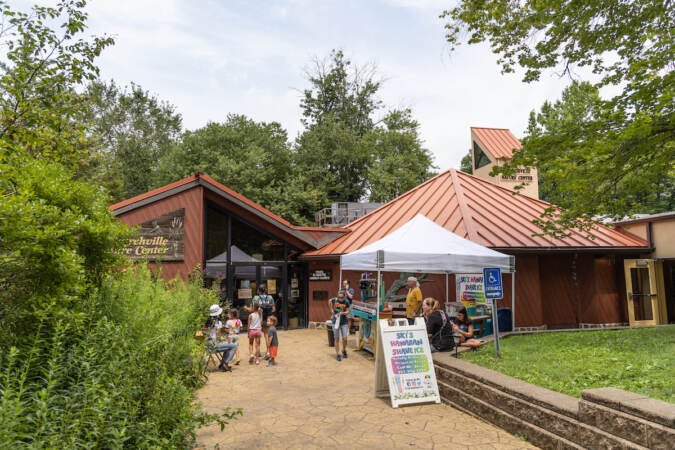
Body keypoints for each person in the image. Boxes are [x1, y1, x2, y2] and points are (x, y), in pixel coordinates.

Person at [203, 304, 238, 372]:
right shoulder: (218, 322)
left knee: (228, 346)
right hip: (214, 345)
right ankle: (225, 363)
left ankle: (222, 364)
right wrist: (224, 339)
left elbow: (204, 332)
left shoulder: (207, 321)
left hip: (207, 345)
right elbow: (218, 336)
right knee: (234, 345)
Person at [252, 286, 276, 358]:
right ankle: (268, 352)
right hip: (268, 317)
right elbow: (274, 309)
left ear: (258, 290)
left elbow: (253, 309)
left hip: (259, 318)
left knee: (258, 335)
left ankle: (258, 352)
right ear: (266, 290)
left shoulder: (256, 298)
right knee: (266, 335)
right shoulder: (270, 297)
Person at [329, 291, 350, 361]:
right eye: (339, 297)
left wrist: (342, 313)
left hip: (344, 322)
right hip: (335, 322)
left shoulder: (346, 302)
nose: (340, 298)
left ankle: (344, 350)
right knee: (337, 338)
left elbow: (348, 311)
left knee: (345, 338)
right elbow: (329, 301)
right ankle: (338, 354)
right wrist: (331, 310)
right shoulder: (334, 300)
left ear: (344, 297)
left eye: (342, 297)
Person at [247, 300, 263, 365]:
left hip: (252, 330)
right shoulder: (259, 314)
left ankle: (251, 355)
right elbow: (261, 322)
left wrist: (248, 332)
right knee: (258, 345)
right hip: (258, 330)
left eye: (251, 307)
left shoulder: (250, 315)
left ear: (253, 308)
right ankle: (257, 360)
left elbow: (248, 325)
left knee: (251, 343)